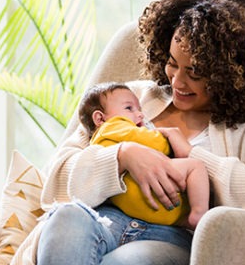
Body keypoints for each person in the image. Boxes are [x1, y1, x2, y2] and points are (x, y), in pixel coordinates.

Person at [35, 0, 245, 265]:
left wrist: (194, 158)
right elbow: (55, 179)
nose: (177, 81)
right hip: (103, 222)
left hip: (172, 239)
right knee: (65, 218)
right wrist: (123, 156)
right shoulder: (131, 97)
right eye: (172, 63)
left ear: (230, 73)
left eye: (195, 72)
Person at [77, 81, 210, 229]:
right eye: (129, 108)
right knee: (195, 166)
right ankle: (199, 214)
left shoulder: (99, 142)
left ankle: (184, 219)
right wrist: (168, 136)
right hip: (148, 196)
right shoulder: (113, 126)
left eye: (139, 108)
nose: (140, 114)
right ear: (100, 119)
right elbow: (156, 144)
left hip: (136, 208)